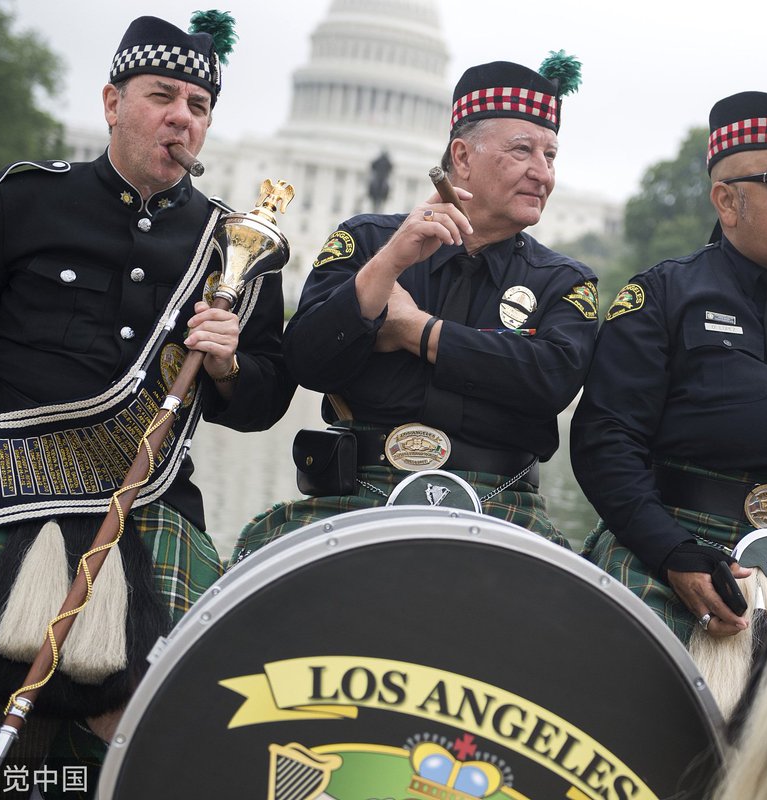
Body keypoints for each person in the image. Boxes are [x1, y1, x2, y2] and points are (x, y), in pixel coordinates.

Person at [0, 11, 293, 786]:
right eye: (163, 95)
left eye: (198, 107)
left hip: (148, 491)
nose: (181, 118)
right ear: (110, 102)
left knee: (144, 704)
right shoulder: (22, 201)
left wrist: (227, 365)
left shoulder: (241, 248)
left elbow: (263, 403)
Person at [233, 55, 597, 557]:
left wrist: (415, 330)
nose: (543, 173)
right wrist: (385, 270)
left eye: (551, 156)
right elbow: (306, 361)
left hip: (501, 505)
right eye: (522, 151)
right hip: (358, 495)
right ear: (462, 158)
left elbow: (550, 380)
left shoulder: (563, 281)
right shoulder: (366, 242)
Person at [570, 61, 767, 648]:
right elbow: (606, 441)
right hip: (689, 557)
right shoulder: (663, 294)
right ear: (727, 202)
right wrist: (671, 552)